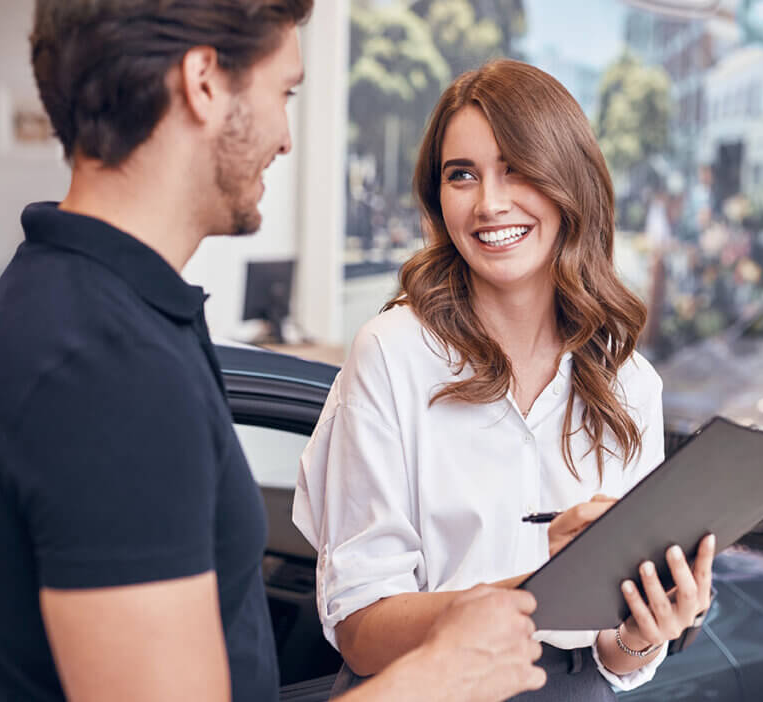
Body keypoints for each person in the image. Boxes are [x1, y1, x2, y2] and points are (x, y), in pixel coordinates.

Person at [0, 5, 547, 702]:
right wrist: (439, 678)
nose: (287, 138)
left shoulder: (90, 308)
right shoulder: (104, 364)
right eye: (283, 92)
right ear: (204, 82)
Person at [293, 59, 715, 701]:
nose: (489, 203)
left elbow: (616, 659)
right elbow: (360, 628)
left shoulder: (630, 383)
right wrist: (533, 586)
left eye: (516, 168)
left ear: (569, 181)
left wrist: (644, 629)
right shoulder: (393, 354)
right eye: (462, 175)